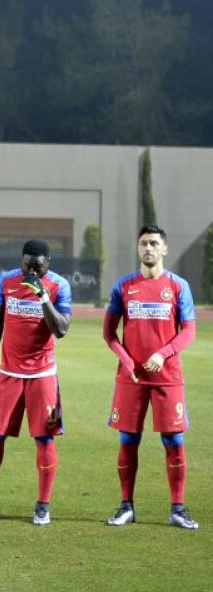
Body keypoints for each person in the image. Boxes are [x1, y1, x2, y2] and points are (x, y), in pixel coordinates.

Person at [103, 224, 199, 529]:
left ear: (164, 249)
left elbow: (189, 331)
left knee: (174, 441)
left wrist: (163, 354)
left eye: (154, 243)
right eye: (143, 243)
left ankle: (178, 509)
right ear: (138, 248)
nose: (148, 248)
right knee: (128, 440)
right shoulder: (123, 286)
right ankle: (126, 507)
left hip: (167, 377)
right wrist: (126, 360)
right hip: (131, 379)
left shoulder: (178, 286)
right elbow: (109, 333)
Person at [0, 240, 71, 526]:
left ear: (48, 263)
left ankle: (43, 505)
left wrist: (42, 296)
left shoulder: (59, 286)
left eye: (38, 266)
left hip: (42, 375)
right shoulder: (5, 281)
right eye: (27, 265)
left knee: (44, 438)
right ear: (21, 260)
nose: (32, 271)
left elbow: (61, 329)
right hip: (9, 374)